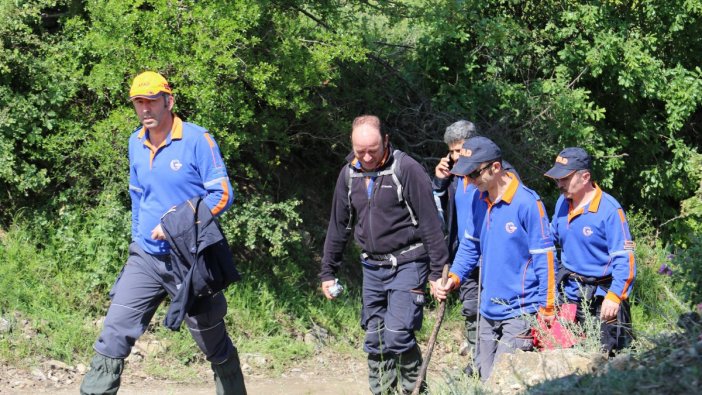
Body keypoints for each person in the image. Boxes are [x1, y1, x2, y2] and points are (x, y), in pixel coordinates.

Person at [80, 71, 246, 395]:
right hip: (145, 257)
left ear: (168, 101)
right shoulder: (135, 142)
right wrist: (136, 240)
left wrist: (174, 225)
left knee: (213, 341)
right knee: (114, 330)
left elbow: (222, 195)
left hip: (190, 260)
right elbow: (138, 197)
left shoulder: (199, 140)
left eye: (151, 101)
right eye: (138, 103)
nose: (145, 109)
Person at [320, 115, 449, 394]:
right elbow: (339, 225)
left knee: (398, 335)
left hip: (408, 262)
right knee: (376, 338)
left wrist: (438, 272)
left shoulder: (407, 169)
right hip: (372, 267)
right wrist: (328, 271)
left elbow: (429, 223)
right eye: (360, 151)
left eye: (373, 150)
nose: (366, 157)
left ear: (386, 141)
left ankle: (414, 391)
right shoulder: (349, 173)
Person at [431, 136, 556, 380]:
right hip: (487, 311)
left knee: (505, 382)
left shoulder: (528, 204)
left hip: (520, 313)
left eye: (474, 174)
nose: (469, 181)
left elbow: (546, 261)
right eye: (466, 176)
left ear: (495, 168)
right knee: (485, 379)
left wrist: (547, 308)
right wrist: (453, 278)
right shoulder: (479, 199)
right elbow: (469, 246)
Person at [432, 121, 520, 374]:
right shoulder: (454, 175)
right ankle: (477, 361)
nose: (456, 157)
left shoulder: (498, 173)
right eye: (452, 152)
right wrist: (439, 182)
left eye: (460, 150)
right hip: (465, 254)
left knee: (498, 311)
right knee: (471, 310)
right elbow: (440, 211)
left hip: (494, 257)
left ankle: (498, 366)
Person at [544, 147, 636, 354]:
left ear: (585, 177)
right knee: (558, 355)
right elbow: (550, 238)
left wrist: (614, 297)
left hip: (602, 298)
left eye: (565, 179)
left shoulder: (610, 211)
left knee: (603, 360)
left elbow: (625, 260)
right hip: (569, 293)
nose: (559, 184)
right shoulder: (562, 202)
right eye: (557, 179)